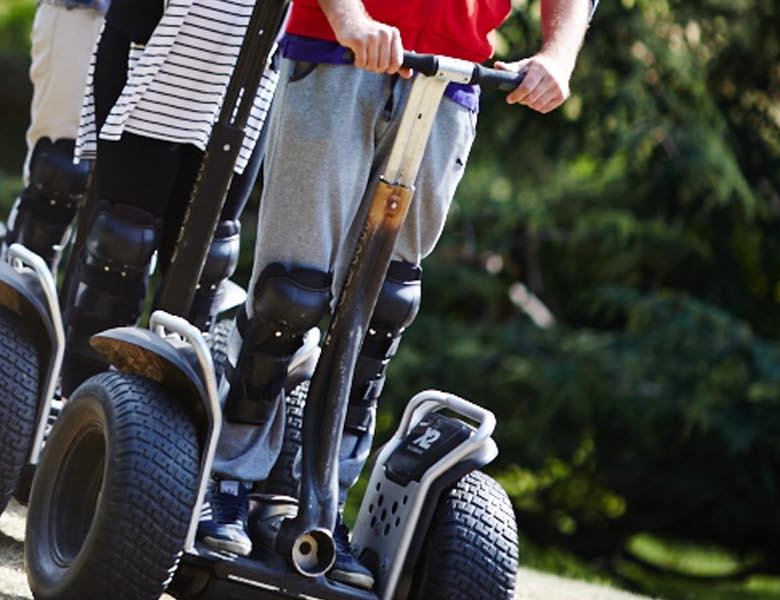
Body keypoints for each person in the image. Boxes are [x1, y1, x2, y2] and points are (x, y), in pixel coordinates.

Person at [199, 0, 591, 588]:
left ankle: (324, 512)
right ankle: (227, 482)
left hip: (451, 81)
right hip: (337, 55)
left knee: (385, 305)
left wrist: (558, 57)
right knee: (291, 292)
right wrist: (351, 20)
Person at [58, 0, 278, 394]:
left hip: (252, 61)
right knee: (122, 245)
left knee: (206, 260)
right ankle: (81, 409)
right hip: (156, 41)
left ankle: (162, 424)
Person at [2, 0, 106, 265]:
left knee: (123, 213)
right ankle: (12, 290)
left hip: (152, 35)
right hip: (78, 15)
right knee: (58, 172)